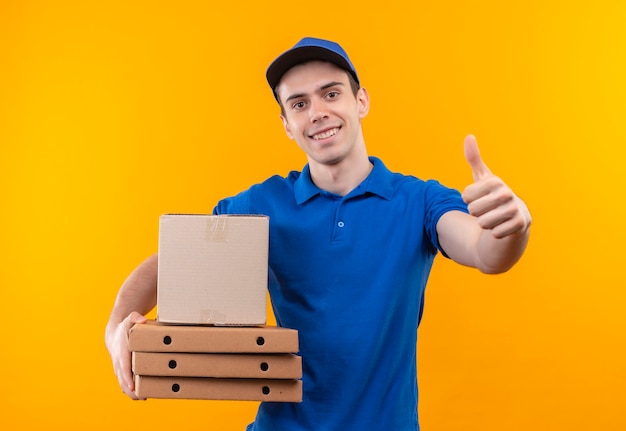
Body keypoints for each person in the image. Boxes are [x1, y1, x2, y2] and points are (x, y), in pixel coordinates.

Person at [105, 37, 531, 430]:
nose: (318, 112)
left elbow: (484, 250)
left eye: (331, 93)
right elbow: (175, 263)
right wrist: (115, 328)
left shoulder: (418, 200)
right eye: (299, 104)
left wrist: (511, 227)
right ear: (287, 124)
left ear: (360, 100)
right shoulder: (261, 205)